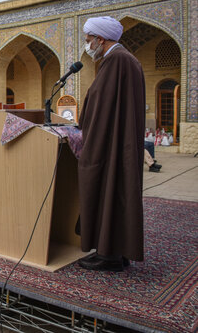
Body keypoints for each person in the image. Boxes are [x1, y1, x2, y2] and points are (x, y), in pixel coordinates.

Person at [78, 16, 145, 272]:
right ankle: (114, 251)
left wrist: (86, 133)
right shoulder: (126, 60)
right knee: (117, 191)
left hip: (111, 141)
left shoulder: (116, 60)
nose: (88, 45)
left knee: (108, 188)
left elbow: (99, 102)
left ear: (100, 39)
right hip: (120, 139)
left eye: (88, 40)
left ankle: (109, 255)